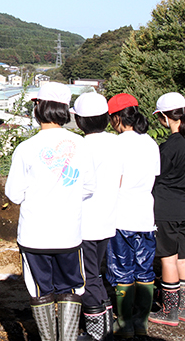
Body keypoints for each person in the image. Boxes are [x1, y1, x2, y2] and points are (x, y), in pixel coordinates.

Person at [5, 82, 94, 341]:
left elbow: (14, 194)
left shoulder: (26, 148)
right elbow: (89, 187)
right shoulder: (81, 145)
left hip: (34, 236)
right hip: (69, 234)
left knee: (39, 291)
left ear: (38, 107)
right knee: (72, 288)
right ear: (65, 110)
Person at [105, 93, 160, 338]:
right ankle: (142, 322)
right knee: (145, 270)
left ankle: (124, 323)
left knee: (122, 271)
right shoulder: (150, 142)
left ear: (117, 118)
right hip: (145, 216)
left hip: (121, 216)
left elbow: (114, 182)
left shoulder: (116, 144)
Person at [72, 92, 123, 341]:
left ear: (80, 121)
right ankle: (105, 327)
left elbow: (75, 186)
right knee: (96, 273)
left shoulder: (80, 147)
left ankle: (96, 335)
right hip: (107, 219)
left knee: (86, 277)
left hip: (85, 222)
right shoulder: (116, 143)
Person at [148, 92, 185, 326]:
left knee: (168, 259)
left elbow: (156, 176)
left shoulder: (169, 146)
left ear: (164, 117)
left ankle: (170, 311)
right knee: (182, 258)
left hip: (166, 207)